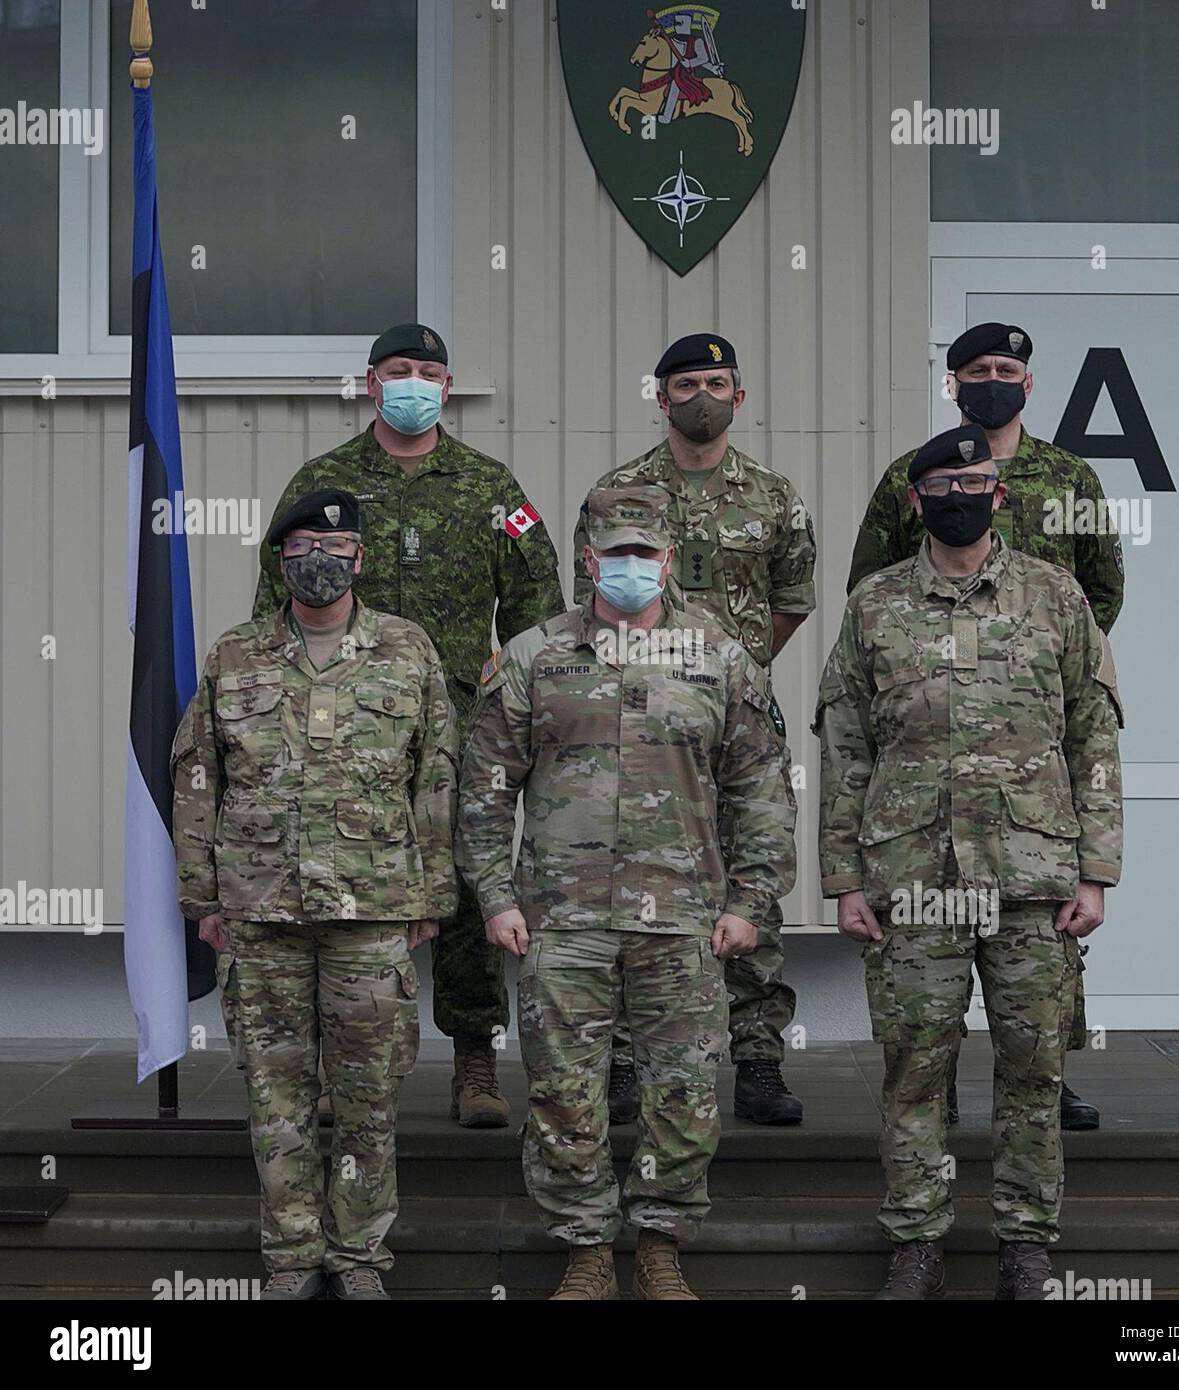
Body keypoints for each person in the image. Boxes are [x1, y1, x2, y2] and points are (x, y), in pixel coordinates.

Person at [458, 486, 797, 1299]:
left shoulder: (717, 656)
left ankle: (659, 1241)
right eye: (617, 554)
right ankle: (582, 1248)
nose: (632, 568)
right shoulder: (535, 655)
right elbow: (482, 787)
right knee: (564, 1089)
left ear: (669, 560)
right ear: (588, 560)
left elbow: (760, 786)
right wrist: (496, 896)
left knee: (680, 1089)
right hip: (560, 918)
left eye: (646, 554)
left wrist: (751, 901)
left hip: (682, 917)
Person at [815, 427, 1123, 1300]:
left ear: (999, 494)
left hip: (1035, 879)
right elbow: (844, 747)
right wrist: (843, 879)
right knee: (916, 1069)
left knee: (1035, 1069)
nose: (962, 490)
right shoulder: (874, 605)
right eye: (944, 479)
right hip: (911, 878)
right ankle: (916, 1240)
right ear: (916, 499)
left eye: (977, 478)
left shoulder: (1056, 597)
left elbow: (1096, 736)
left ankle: (1026, 1244)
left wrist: (1096, 871)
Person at [249, 324, 566, 1129]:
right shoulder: (323, 480)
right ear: (370, 383)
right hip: (337, 723)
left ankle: (473, 1061)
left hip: (457, 724)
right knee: (335, 884)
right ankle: (326, 1072)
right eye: (400, 370)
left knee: (463, 883)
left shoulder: (494, 488)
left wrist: (526, 706)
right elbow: (270, 611)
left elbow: (537, 610)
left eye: (429, 371)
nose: (414, 382)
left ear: (448, 388)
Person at [172, 490, 458, 1300]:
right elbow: (196, 778)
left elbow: (437, 771)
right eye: (299, 546)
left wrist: (432, 893)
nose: (318, 558)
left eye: (334, 544)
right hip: (260, 915)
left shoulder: (408, 650)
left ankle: (360, 1257)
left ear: (361, 556)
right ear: (279, 559)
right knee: (278, 1099)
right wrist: (204, 900)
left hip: (372, 913)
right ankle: (292, 1257)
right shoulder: (236, 654)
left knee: (370, 1098)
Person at [846, 322, 1124, 1132]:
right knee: (938, 916)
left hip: (1041, 701)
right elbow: (875, 580)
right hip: (930, 703)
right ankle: (942, 1081)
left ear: (1029, 383)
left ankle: (1050, 1068)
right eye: (976, 369)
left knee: (1047, 897)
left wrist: (1048, 657)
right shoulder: (915, 473)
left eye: (1006, 369)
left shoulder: (1068, 475)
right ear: (953, 382)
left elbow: (1103, 586)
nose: (992, 379)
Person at [572, 334, 815, 1126]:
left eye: (716, 382)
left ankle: (756, 1057)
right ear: (661, 395)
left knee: (751, 872)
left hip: (734, 720)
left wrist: (724, 679)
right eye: (685, 384)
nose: (700, 395)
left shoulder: (774, 496)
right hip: (631, 716)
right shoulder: (619, 491)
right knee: (626, 873)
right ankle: (620, 1062)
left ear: (738, 397)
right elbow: (595, 598)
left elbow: (791, 600)